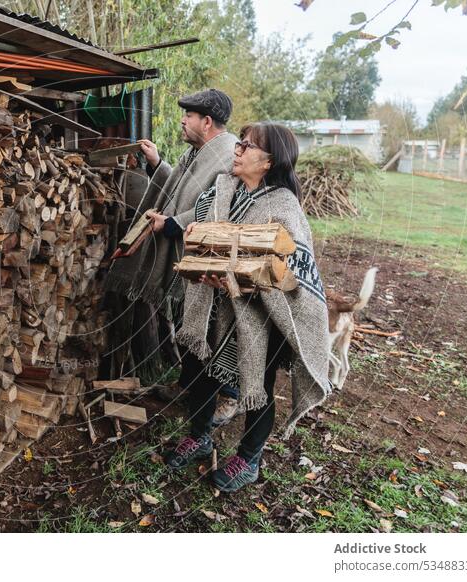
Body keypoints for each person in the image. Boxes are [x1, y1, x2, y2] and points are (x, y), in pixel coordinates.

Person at [162, 122, 331, 494]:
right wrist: (198, 248)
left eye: (248, 146)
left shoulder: (283, 207)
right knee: (203, 372)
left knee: (259, 385)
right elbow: (204, 231)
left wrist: (240, 282)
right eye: (239, 143)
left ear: (270, 162)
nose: (237, 150)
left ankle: (250, 457)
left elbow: (293, 274)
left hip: (262, 316)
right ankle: (200, 435)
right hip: (213, 305)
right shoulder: (224, 189)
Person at [104, 89, 239, 419]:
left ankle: (229, 395)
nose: (182, 120)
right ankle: (189, 383)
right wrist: (157, 164)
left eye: (188, 116)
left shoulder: (227, 156)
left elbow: (219, 206)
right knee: (190, 322)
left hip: (212, 257)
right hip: (189, 254)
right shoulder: (197, 151)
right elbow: (180, 188)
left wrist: (174, 224)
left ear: (206, 122)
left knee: (215, 326)